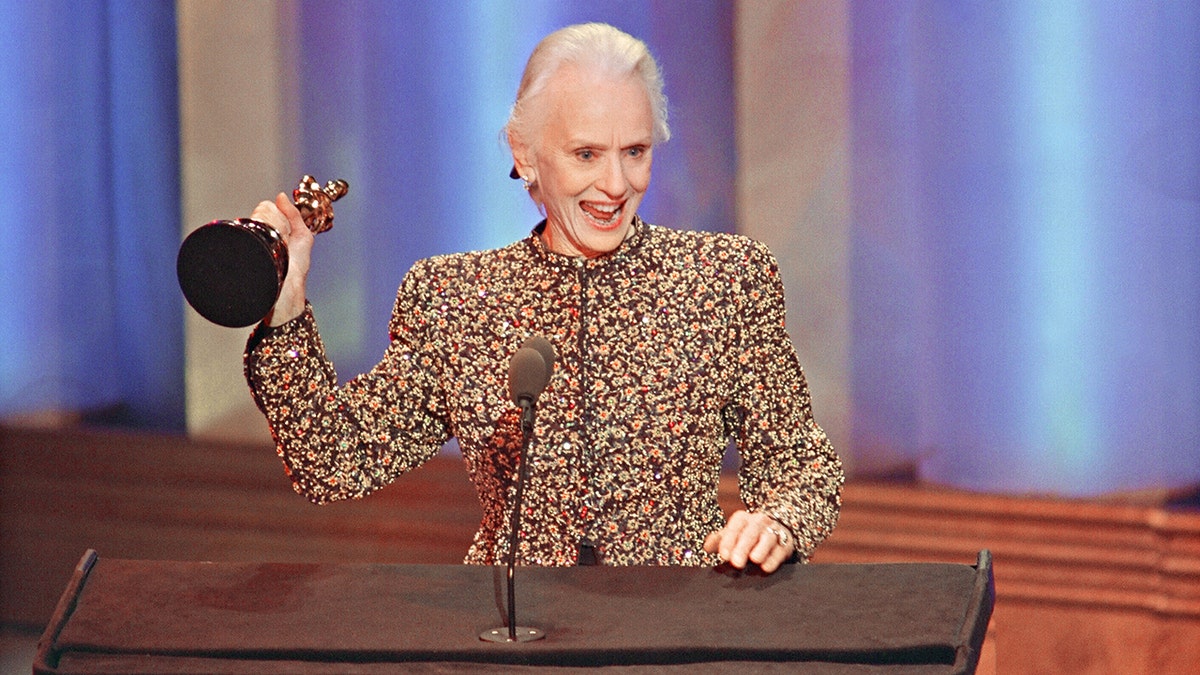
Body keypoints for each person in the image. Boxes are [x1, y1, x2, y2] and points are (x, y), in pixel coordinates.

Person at [244, 22, 843, 574]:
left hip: (676, 623)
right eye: (587, 154)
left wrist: (777, 522)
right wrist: (287, 301)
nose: (616, 184)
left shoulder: (724, 280)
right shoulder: (456, 298)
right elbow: (332, 460)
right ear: (524, 153)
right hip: (512, 629)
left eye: (635, 151)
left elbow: (802, 466)